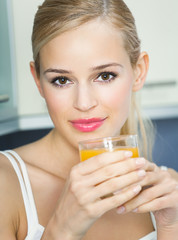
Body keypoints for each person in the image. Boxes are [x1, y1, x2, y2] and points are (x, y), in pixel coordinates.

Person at [0, 0, 178, 239]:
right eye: (62, 80)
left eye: (105, 76)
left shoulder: (168, 191)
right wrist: (61, 229)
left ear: (139, 71)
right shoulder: (5, 184)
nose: (84, 103)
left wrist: (170, 229)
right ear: (38, 81)